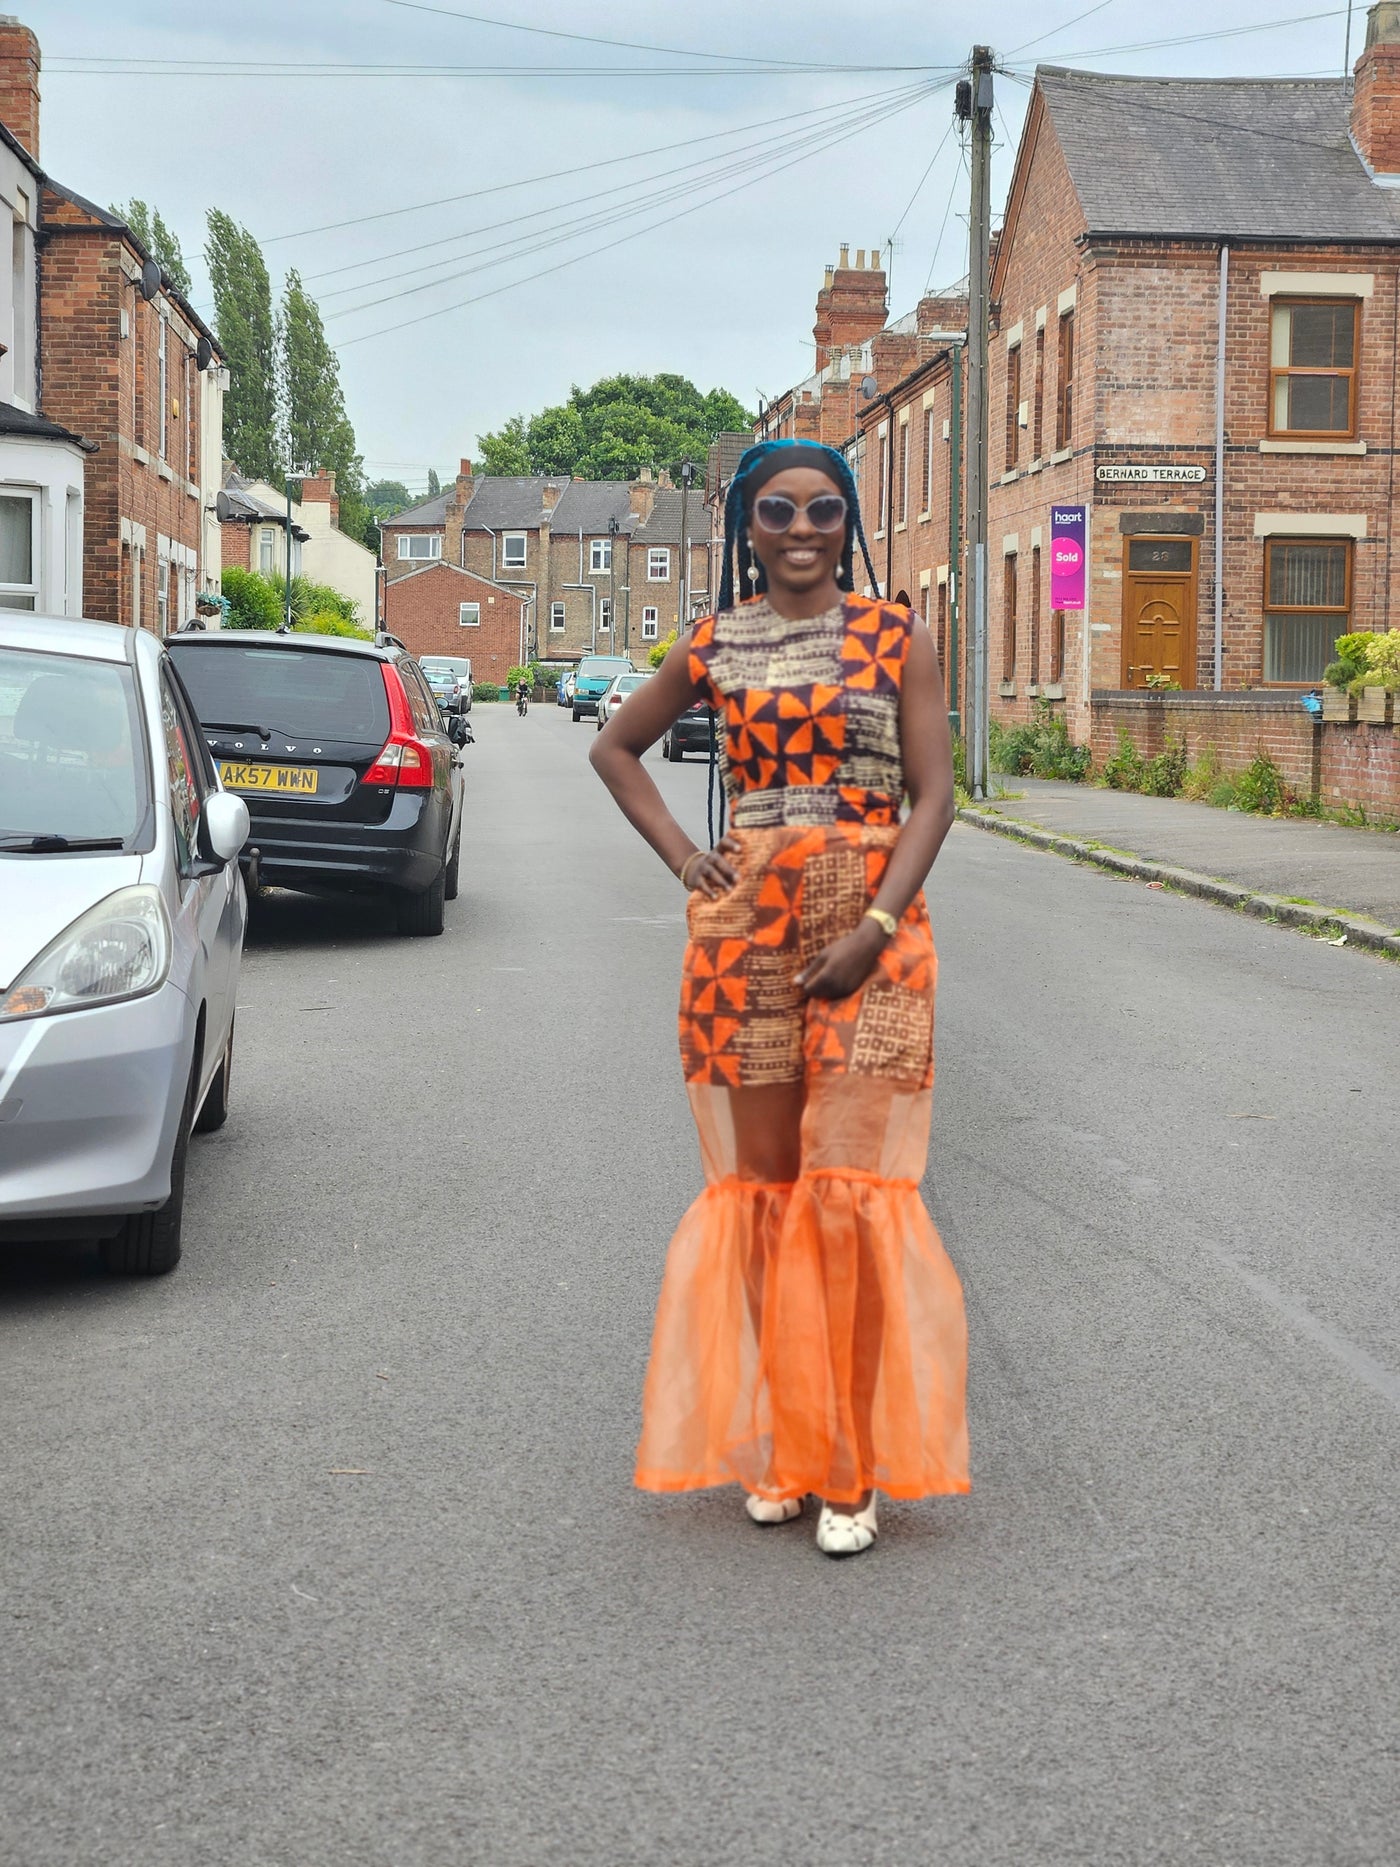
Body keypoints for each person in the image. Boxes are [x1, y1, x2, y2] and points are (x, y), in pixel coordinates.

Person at [590, 437, 968, 1558]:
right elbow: (616, 749)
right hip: (741, 940)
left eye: (818, 510)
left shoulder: (896, 635)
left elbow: (934, 796)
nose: (799, 530)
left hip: (874, 939)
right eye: (774, 512)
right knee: (761, 1194)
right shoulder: (709, 641)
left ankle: (847, 1466)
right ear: (744, 529)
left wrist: (875, 925)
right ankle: (778, 1447)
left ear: (846, 522)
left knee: (848, 1193)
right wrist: (683, 858)